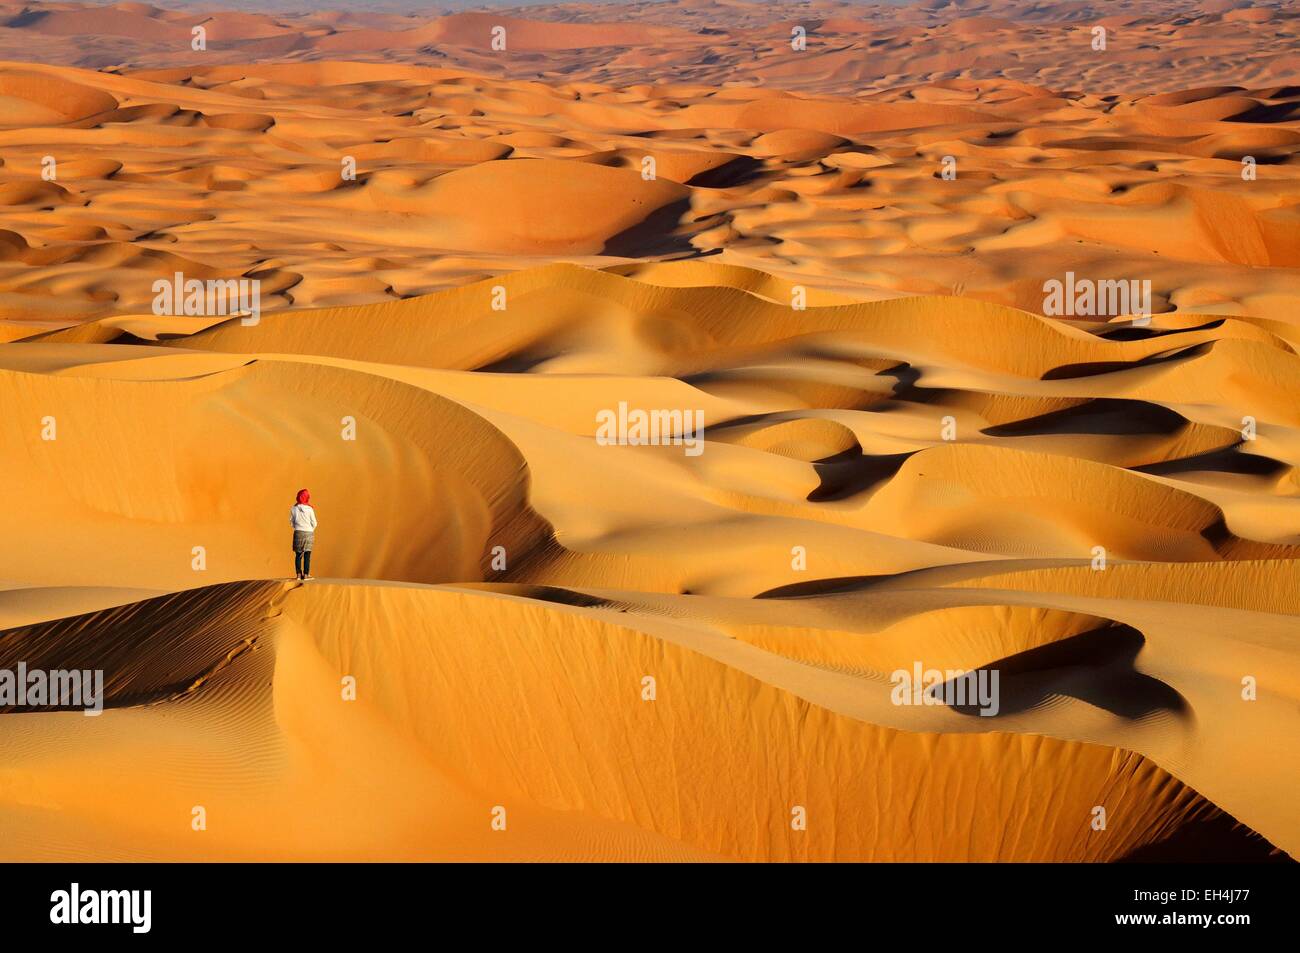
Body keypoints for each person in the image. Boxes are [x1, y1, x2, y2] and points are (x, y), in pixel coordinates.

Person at [290, 488, 317, 580]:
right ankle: (306, 575)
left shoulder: (293, 508)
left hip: (298, 532)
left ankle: (298, 575)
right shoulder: (310, 509)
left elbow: (291, 522)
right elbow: (314, 522)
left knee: (298, 555)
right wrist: (310, 529)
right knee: (307, 554)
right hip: (308, 533)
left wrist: (298, 528)